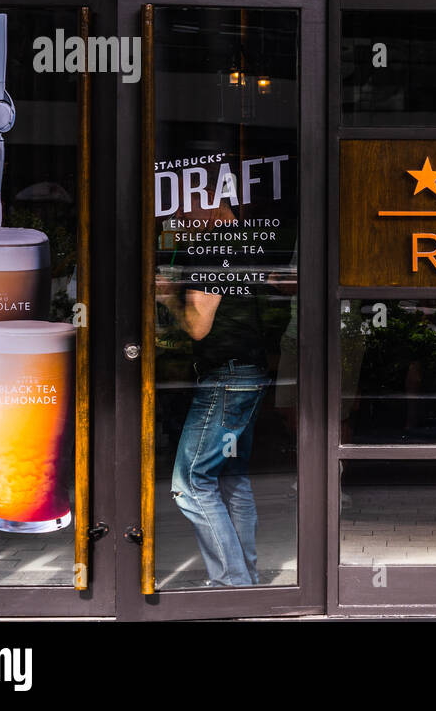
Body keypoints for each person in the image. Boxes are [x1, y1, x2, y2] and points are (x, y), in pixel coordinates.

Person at [159, 197, 289, 586]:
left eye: (185, 206)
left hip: (226, 379)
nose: (178, 216)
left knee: (190, 484)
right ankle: (245, 577)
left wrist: (168, 297)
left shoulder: (209, 249)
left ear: (211, 201)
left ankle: (232, 581)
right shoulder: (247, 243)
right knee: (233, 480)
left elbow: (198, 327)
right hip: (251, 373)